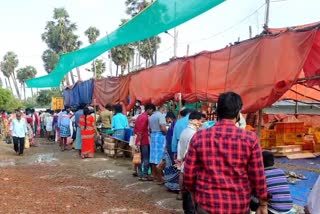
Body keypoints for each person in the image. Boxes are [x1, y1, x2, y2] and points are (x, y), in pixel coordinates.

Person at [183, 92, 268, 214]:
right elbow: (258, 176)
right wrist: (263, 203)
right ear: (238, 113)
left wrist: (194, 194)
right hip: (239, 206)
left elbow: (189, 174)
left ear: (217, 112)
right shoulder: (250, 139)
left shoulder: (199, 137)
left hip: (207, 205)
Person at [177, 111, 203, 211]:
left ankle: (181, 193)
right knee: (190, 195)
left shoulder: (184, 131)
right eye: (200, 121)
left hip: (183, 162)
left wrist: (180, 158)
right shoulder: (194, 134)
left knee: (182, 176)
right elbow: (189, 152)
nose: (201, 123)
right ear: (195, 121)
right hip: (189, 163)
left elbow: (180, 147)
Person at [134, 103, 156, 181]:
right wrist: (140, 140)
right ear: (149, 110)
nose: (152, 113)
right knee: (146, 158)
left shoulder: (139, 116)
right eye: (152, 111)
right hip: (144, 140)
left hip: (139, 140)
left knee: (141, 158)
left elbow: (136, 130)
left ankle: (140, 174)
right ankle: (145, 175)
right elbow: (140, 130)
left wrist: (138, 141)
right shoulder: (145, 118)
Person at [149, 105, 167, 183]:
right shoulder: (161, 116)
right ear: (163, 109)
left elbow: (149, 129)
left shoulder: (151, 116)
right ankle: (160, 177)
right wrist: (167, 133)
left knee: (153, 156)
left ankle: (154, 174)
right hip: (160, 137)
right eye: (165, 110)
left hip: (153, 136)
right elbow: (163, 128)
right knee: (160, 157)